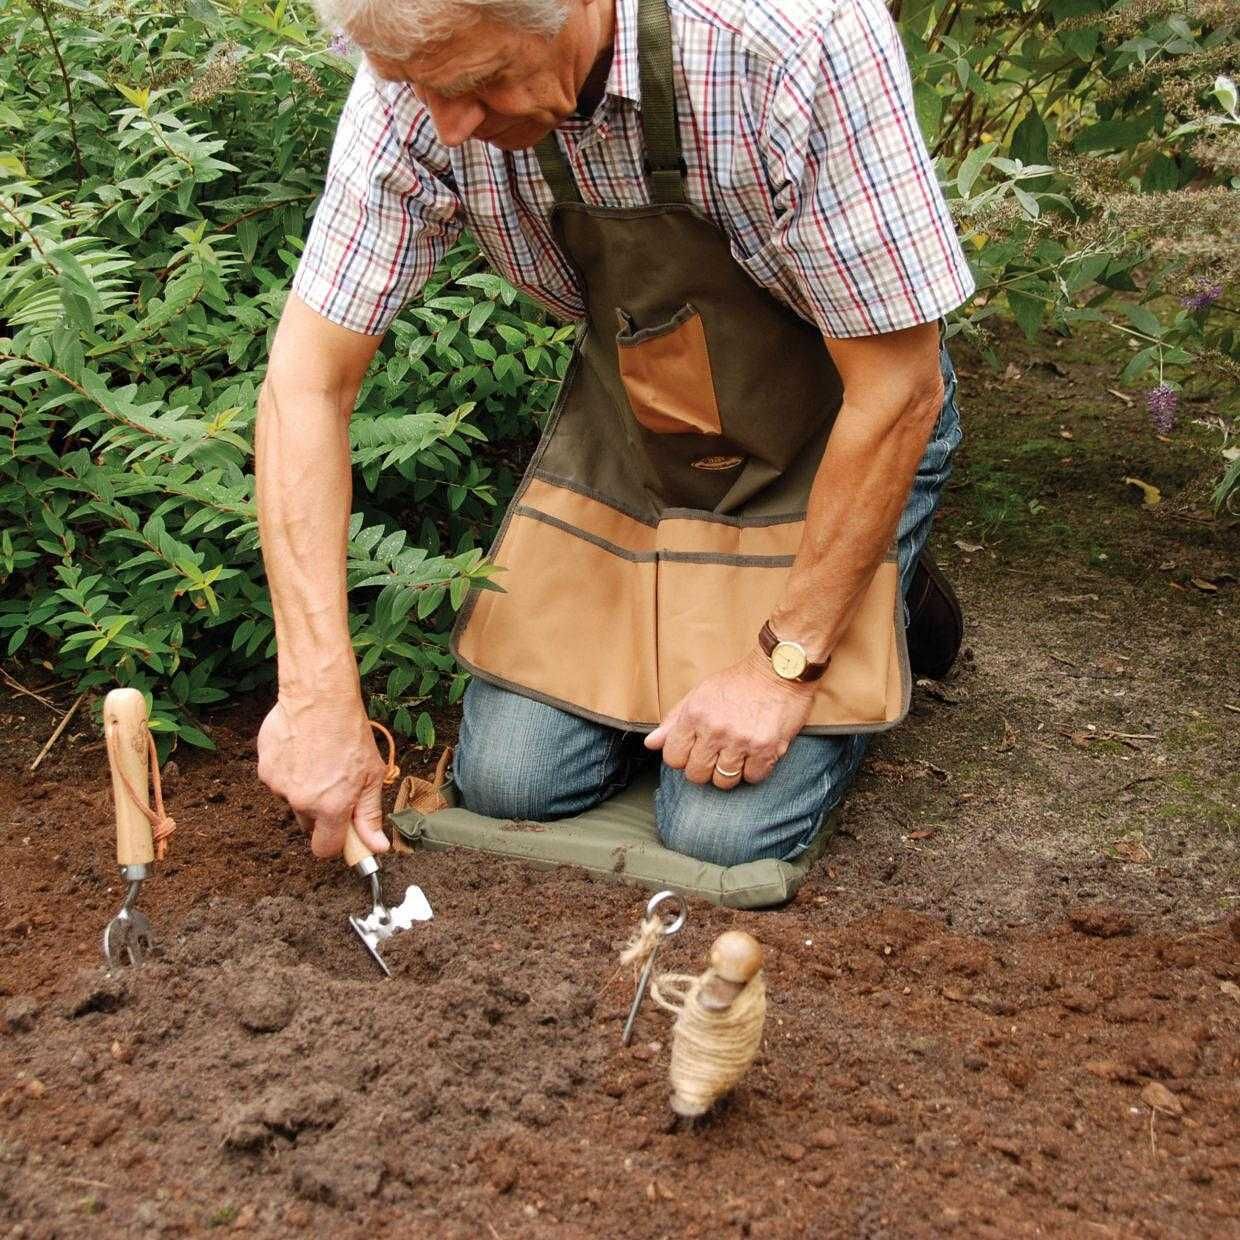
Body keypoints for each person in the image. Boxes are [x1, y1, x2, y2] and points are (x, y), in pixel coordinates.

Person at [255, 0, 975, 868]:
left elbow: (899, 385)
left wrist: (784, 666)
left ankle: (872, 589)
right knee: (512, 782)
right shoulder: (422, 76)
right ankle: (823, 597)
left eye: (481, 82)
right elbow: (306, 382)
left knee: (716, 831)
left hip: (844, 421)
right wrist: (316, 694)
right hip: (639, 426)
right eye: (416, 87)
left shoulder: (794, 39)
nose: (446, 123)